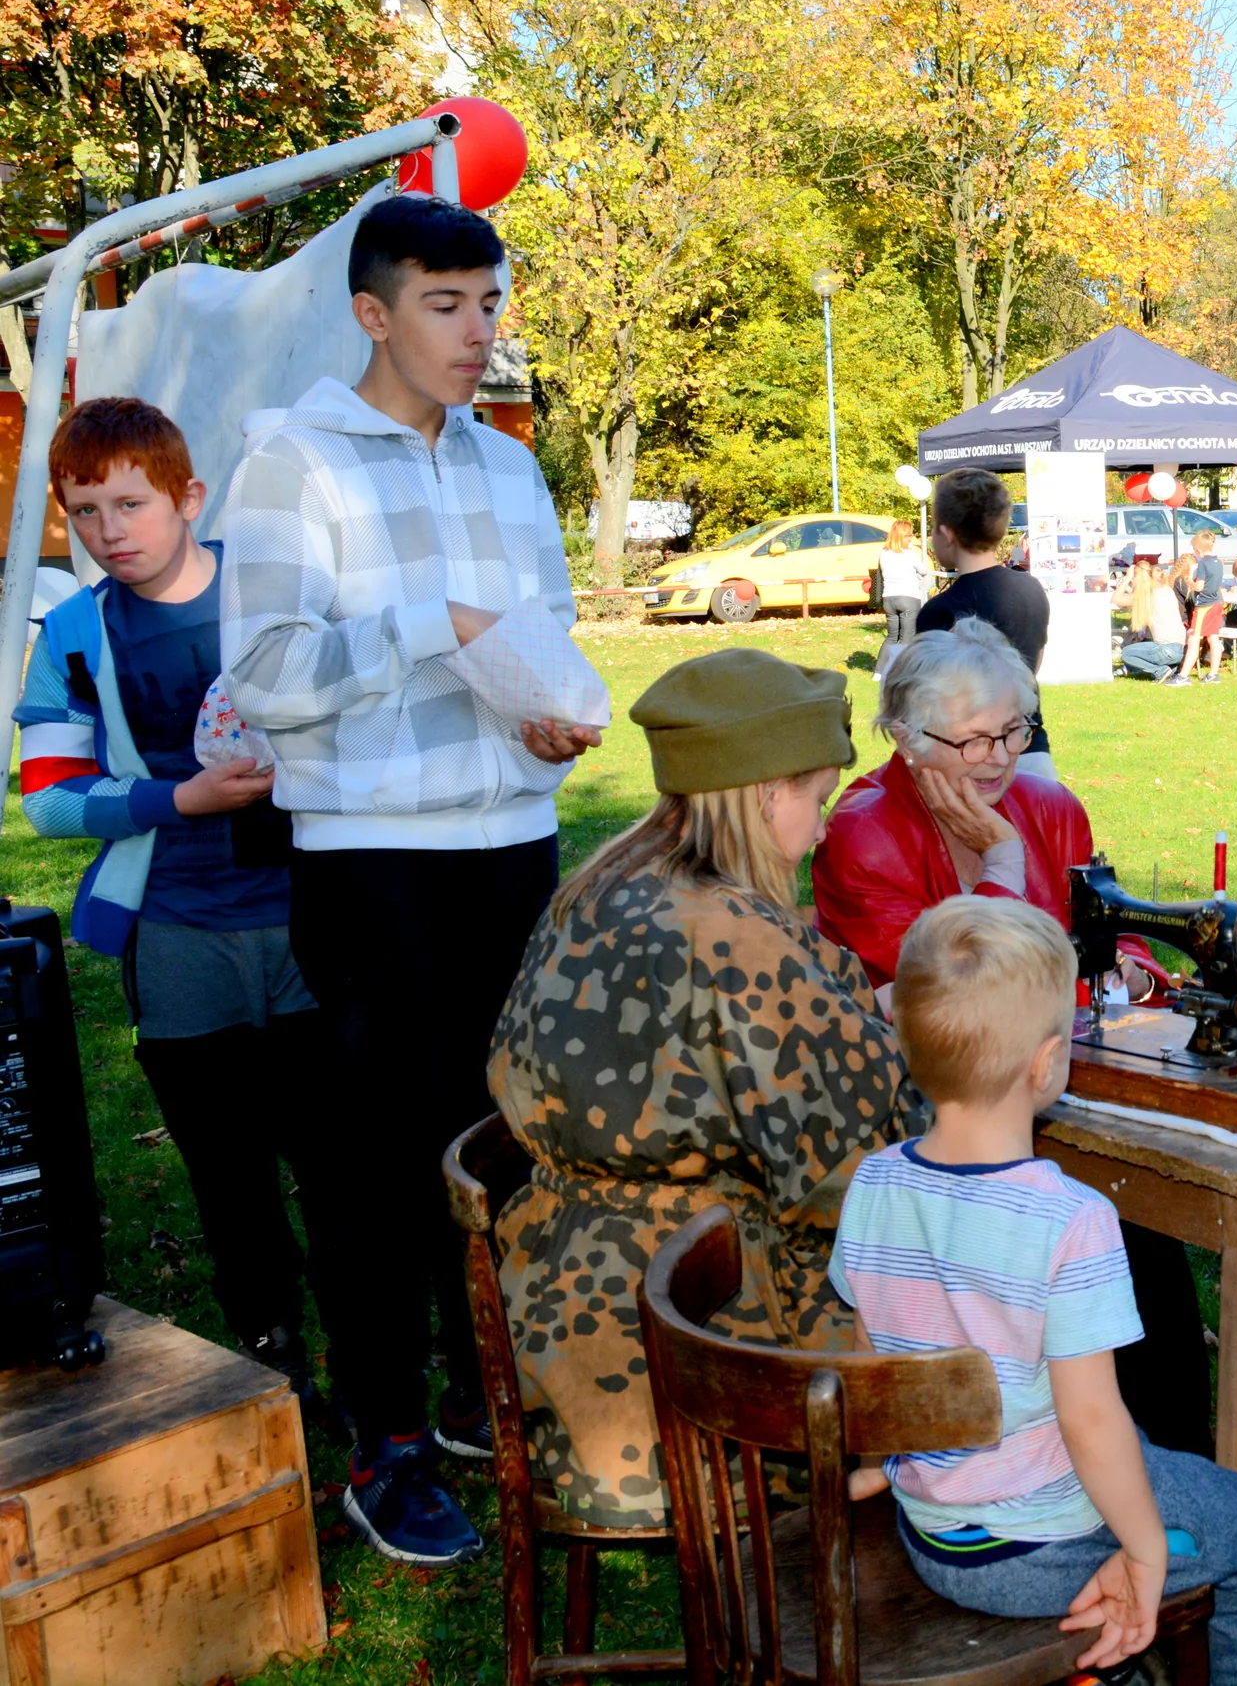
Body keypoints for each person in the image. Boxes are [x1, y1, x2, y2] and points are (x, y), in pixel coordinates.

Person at [220, 193, 597, 1567]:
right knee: (382, 1170)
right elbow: (261, 679)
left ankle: (484, 1397)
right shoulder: (294, 466)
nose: (477, 331)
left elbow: (541, 647)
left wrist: (549, 714)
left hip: (514, 851)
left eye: (490, 302)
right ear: (374, 313)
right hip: (374, 870)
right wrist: (424, 627)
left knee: (509, 1147)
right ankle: (386, 1438)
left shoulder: (507, 464)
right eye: (446, 305)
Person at [834, 897, 1237, 1686]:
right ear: (1046, 1061)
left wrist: (884, 1464)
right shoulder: (1073, 1220)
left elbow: (871, 1358)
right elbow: (1091, 1420)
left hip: (933, 1529)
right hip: (1038, 1546)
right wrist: (1145, 1550)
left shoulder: (875, 1183)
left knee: (1154, 1465)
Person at [489, 649, 917, 1529]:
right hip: (690, 1357)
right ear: (764, 794)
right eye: (817, 797)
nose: (825, 827)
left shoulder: (597, 887)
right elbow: (862, 1161)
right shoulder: (732, 934)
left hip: (555, 1313)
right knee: (979, 1298)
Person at [810, 619, 1211, 1458]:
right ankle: (1076, 1441)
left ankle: (1168, 1445)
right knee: (1105, 1211)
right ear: (909, 740)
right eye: (974, 739)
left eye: (1014, 730)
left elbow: (1105, 929)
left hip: (1054, 1078)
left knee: (1143, 1208)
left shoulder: (1050, 807)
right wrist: (1000, 860)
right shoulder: (864, 831)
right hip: (928, 1109)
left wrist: (1132, 961)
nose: (998, 757)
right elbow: (958, 1002)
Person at [17, 397, 342, 1402]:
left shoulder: (277, 588)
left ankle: (369, 1345)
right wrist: (177, 796)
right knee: (228, 1165)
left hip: (313, 914)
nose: (111, 529)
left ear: (188, 497)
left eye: (132, 502)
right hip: (176, 932)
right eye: (85, 510)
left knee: (336, 1154)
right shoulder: (73, 633)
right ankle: (271, 1340)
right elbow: (49, 799)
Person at [918, 467, 1056, 780]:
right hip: (1031, 749)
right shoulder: (1030, 588)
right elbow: (1032, 666)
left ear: (948, 532)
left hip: (973, 763)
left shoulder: (940, 610)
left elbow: (932, 700)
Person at [875, 518, 930, 679]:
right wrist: (914, 551)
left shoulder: (884, 553)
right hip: (908, 597)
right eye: (908, 536)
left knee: (892, 636)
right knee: (907, 636)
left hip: (889, 598)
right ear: (901, 536)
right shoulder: (909, 554)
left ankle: (878, 672)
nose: (910, 539)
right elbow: (924, 571)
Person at [1119, 560, 1187, 682]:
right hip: (1181, 649)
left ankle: (1160, 670)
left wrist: (1127, 578)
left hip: (1165, 649)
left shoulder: (1146, 595)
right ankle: (1170, 667)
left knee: (1126, 653)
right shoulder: (1167, 590)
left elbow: (1117, 600)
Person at [1173, 530, 1227, 685]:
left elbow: (1199, 587)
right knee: (1213, 638)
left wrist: (1189, 580)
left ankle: (1183, 676)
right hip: (1217, 603)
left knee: (1194, 640)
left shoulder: (1203, 564)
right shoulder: (1218, 563)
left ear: (1198, 550)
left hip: (1204, 606)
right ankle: (1213, 674)